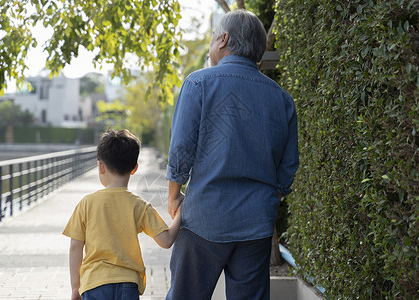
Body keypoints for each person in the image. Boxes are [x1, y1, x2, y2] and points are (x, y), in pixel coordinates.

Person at [165, 9, 299, 300]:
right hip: (256, 223)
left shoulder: (198, 83)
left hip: (204, 218)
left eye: (214, 37)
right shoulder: (282, 99)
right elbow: (288, 166)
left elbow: (181, 148)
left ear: (223, 39)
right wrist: (268, 199)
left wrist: (174, 193)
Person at [63, 129, 182, 300]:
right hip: (128, 283)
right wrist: (181, 210)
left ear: (100, 166)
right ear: (134, 168)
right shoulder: (139, 205)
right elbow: (166, 240)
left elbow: (75, 246)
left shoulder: (86, 203)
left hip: (94, 283)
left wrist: (76, 287)